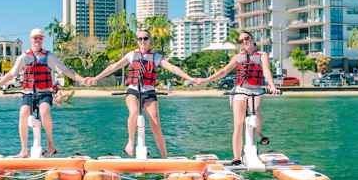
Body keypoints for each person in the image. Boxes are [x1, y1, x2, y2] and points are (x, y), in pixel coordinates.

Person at [84, 30, 198, 159]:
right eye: (140, 39)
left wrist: (189, 78)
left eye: (145, 38)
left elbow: (172, 68)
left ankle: (165, 158)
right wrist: (95, 78)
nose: (143, 41)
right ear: (137, 41)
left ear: (150, 40)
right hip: (133, 91)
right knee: (134, 112)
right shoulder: (132, 55)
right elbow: (113, 67)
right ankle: (130, 143)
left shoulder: (156, 56)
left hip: (149, 92)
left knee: (155, 125)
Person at [0, 28, 85, 158]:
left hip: (45, 93)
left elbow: (66, 71)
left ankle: (50, 143)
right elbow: (11, 74)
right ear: (30, 40)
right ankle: (23, 150)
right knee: (23, 114)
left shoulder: (49, 56)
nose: (37, 40)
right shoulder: (23, 57)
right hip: (29, 93)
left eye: (40, 38)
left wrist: (82, 79)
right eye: (35, 38)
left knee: (44, 111)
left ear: (43, 40)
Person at [201, 31, 280, 165]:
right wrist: (206, 80)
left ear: (253, 39)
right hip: (240, 90)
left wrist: (272, 86)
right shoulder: (238, 57)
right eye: (241, 41)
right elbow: (224, 71)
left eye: (247, 38)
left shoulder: (262, 55)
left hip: (255, 89)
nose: (244, 42)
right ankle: (237, 157)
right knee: (238, 123)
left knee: (255, 110)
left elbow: (266, 70)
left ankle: (259, 133)